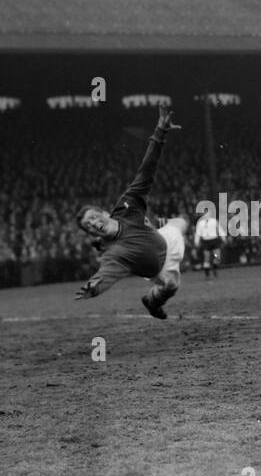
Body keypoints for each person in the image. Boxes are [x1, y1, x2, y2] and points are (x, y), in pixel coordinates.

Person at [74, 107, 187, 319]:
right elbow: (105, 275)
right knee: (171, 286)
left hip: (165, 239)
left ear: (104, 213)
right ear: (92, 234)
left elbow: (146, 170)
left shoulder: (127, 205)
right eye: (89, 226)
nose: (93, 223)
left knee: (182, 222)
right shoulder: (113, 253)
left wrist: (160, 133)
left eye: (93, 217)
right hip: (158, 269)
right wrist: (94, 288)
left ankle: (176, 225)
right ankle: (151, 302)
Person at [193, 206, 224, 278]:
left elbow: (220, 230)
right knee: (206, 258)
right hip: (206, 242)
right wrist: (196, 242)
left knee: (217, 256)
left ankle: (214, 268)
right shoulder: (200, 223)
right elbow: (197, 233)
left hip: (214, 241)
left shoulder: (214, 221)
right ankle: (207, 274)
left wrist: (223, 238)